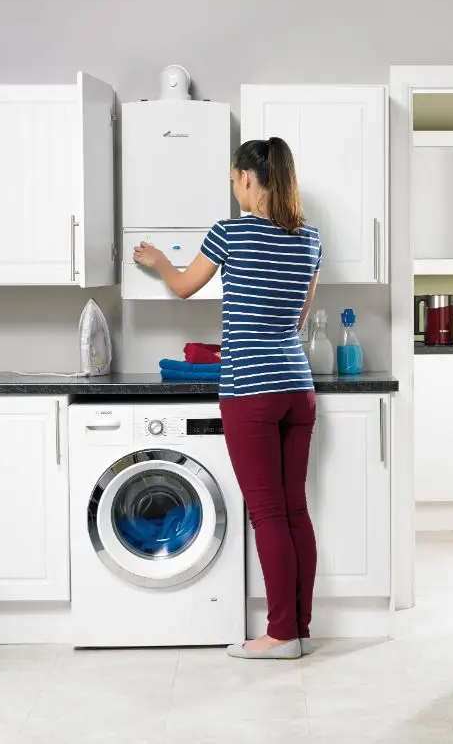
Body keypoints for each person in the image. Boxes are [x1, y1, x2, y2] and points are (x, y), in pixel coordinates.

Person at [133, 137, 321, 660]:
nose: (233, 186)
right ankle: (299, 629)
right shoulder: (310, 238)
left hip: (251, 390)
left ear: (247, 178)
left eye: (234, 178)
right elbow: (299, 318)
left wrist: (158, 261)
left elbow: (184, 287)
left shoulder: (229, 232)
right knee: (295, 511)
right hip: (297, 386)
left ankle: (280, 636)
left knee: (268, 514)